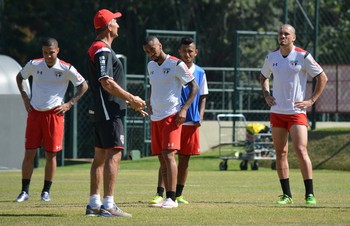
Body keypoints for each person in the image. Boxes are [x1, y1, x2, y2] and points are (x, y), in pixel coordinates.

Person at [85, 9, 147, 218]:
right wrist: (132, 98)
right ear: (108, 27)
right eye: (115, 21)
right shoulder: (102, 50)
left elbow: (110, 85)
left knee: (100, 155)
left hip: (105, 109)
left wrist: (129, 103)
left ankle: (94, 204)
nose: (118, 25)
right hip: (108, 111)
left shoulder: (100, 48)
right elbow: (107, 81)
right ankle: (108, 205)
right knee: (114, 153)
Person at [260, 24, 328, 205]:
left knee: (300, 150)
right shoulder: (271, 57)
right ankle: (286, 195)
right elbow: (263, 76)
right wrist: (266, 94)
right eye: (280, 33)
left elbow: (322, 77)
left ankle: (310, 194)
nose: (282, 36)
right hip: (277, 112)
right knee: (280, 152)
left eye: (286, 34)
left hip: (297, 112)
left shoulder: (302, 55)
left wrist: (311, 101)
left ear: (294, 37)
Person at [15, 37, 88, 202]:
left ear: (58, 51)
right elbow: (20, 77)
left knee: (51, 155)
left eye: (51, 53)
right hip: (34, 113)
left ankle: (45, 192)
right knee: (29, 153)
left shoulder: (66, 68)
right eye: (45, 52)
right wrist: (25, 98)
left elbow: (83, 85)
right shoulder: (34, 64)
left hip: (54, 115)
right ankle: (24, 191)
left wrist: (69, 104)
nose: (48, 56)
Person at [149, 37, 208, 206]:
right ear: (179, 52)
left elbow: (202, 95)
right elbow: (153, 86)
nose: (187, 54)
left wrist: (199, 115)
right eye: (184, 51)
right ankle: (161, 193)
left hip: (189, 119)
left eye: (190, 51)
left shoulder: (198, 72)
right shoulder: (166, 66)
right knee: (166, 155)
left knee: (182, 158)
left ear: (195, 53)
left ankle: (177, 194)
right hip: (170, 117)